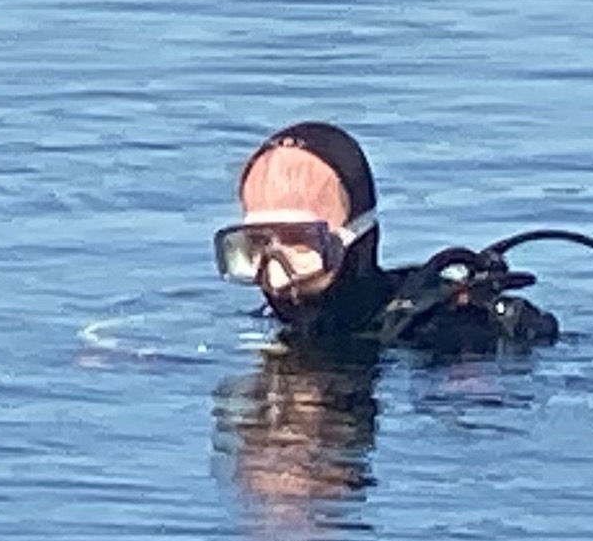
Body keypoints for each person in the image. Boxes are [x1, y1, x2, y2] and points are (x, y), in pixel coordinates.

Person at [215, 121, 572, 362]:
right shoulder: (266, 324)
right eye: (256, 246)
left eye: (301, 243)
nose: (277, 277)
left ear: (357, 242)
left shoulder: (440, 330)